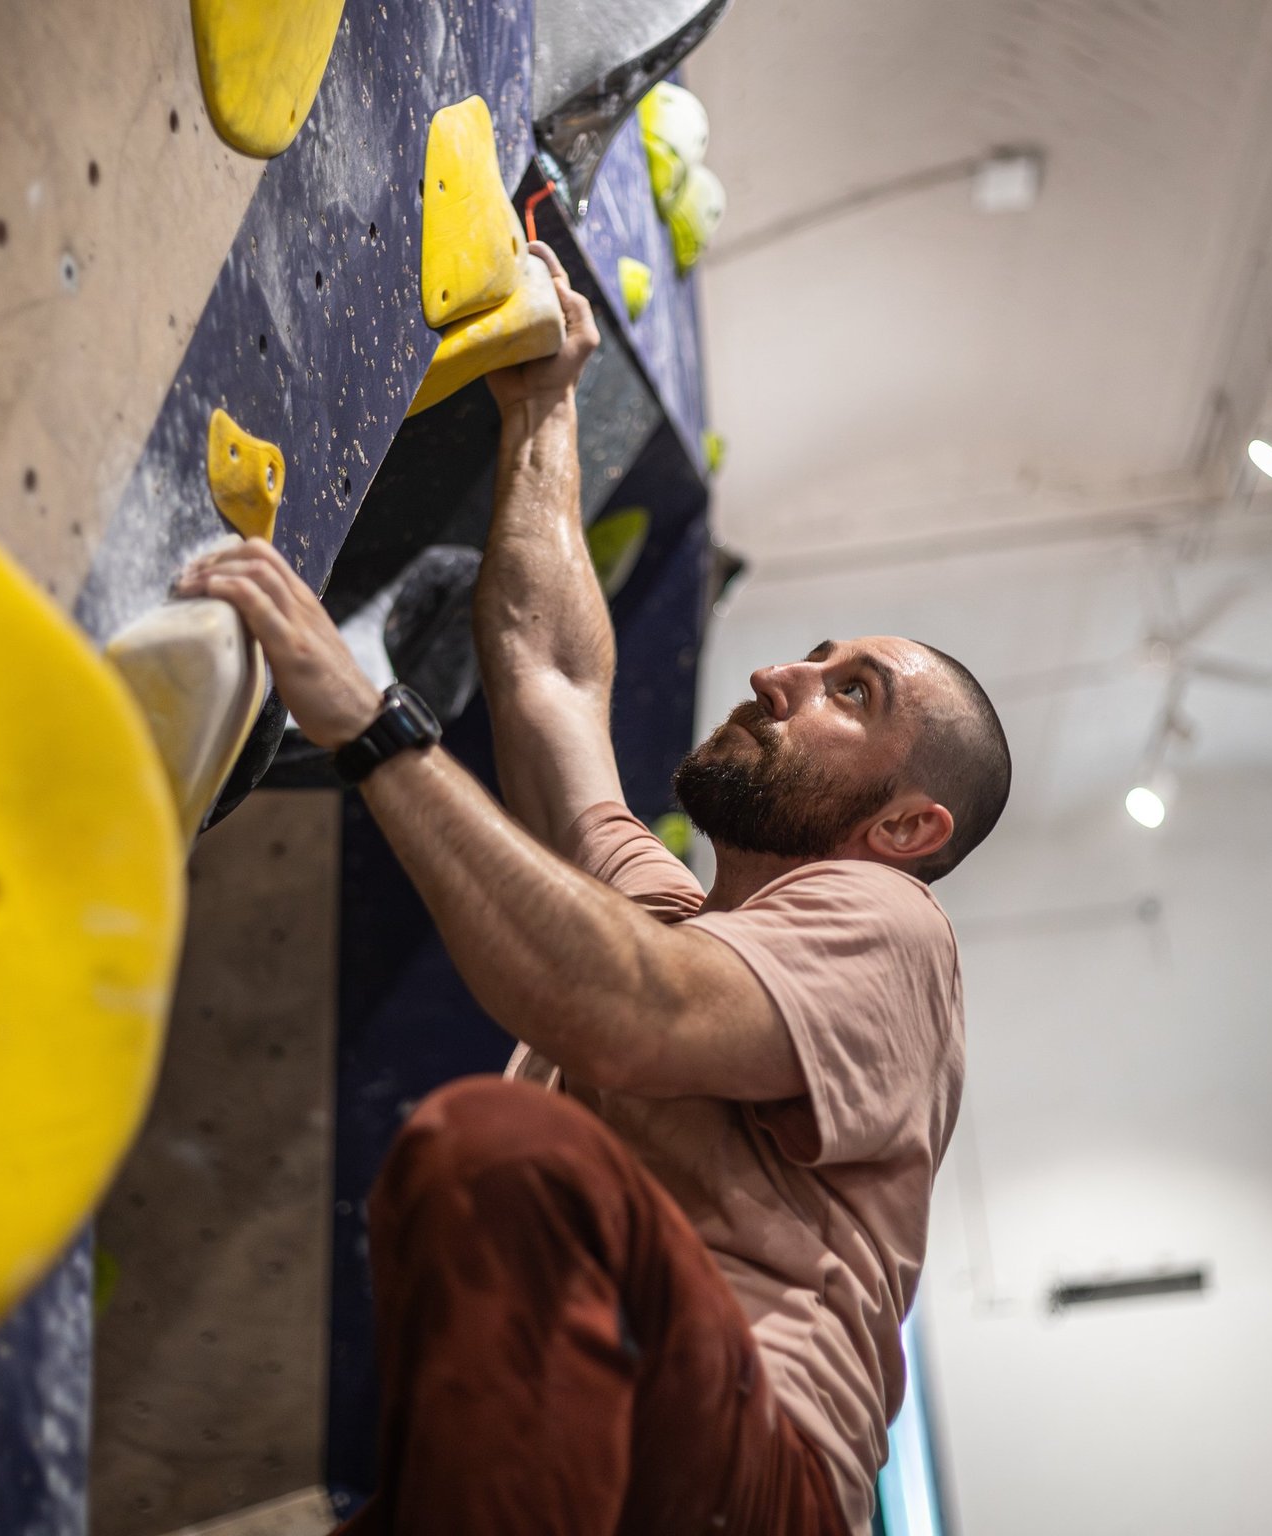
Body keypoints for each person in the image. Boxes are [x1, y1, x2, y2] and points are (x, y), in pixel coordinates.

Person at [174, 243, 1011, 1536]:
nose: (784, 680)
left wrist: (369, 719)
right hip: (623, 1449)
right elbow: (553, 680)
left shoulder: (896, 934)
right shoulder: (685, 926)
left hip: (757, 1481)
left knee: (507, 1155)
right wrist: (545, 404)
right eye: (809, 656)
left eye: (854, 694)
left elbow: (624, 1007)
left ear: (909, 823)